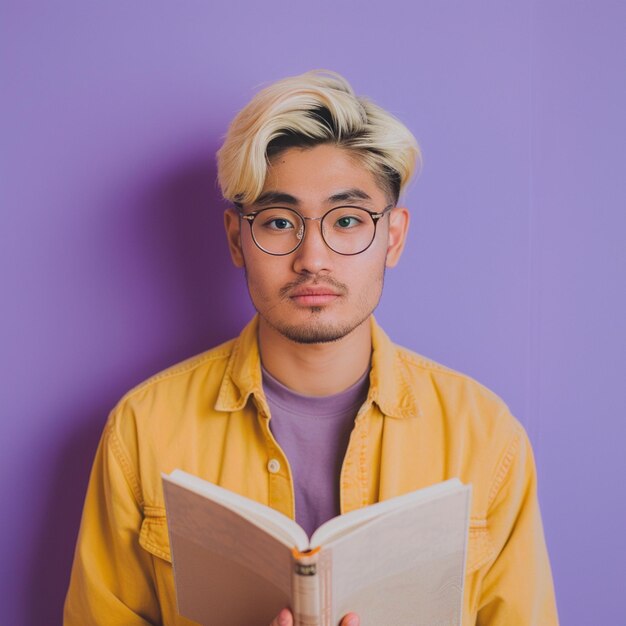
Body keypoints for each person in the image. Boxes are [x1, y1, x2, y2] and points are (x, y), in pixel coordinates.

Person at [64, 70, 558, 625]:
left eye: (347, 221)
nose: (313, 258)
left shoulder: (486, 437)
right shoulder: (143, 429)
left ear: (392, 238)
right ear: (236, 239)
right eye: (279, 222)